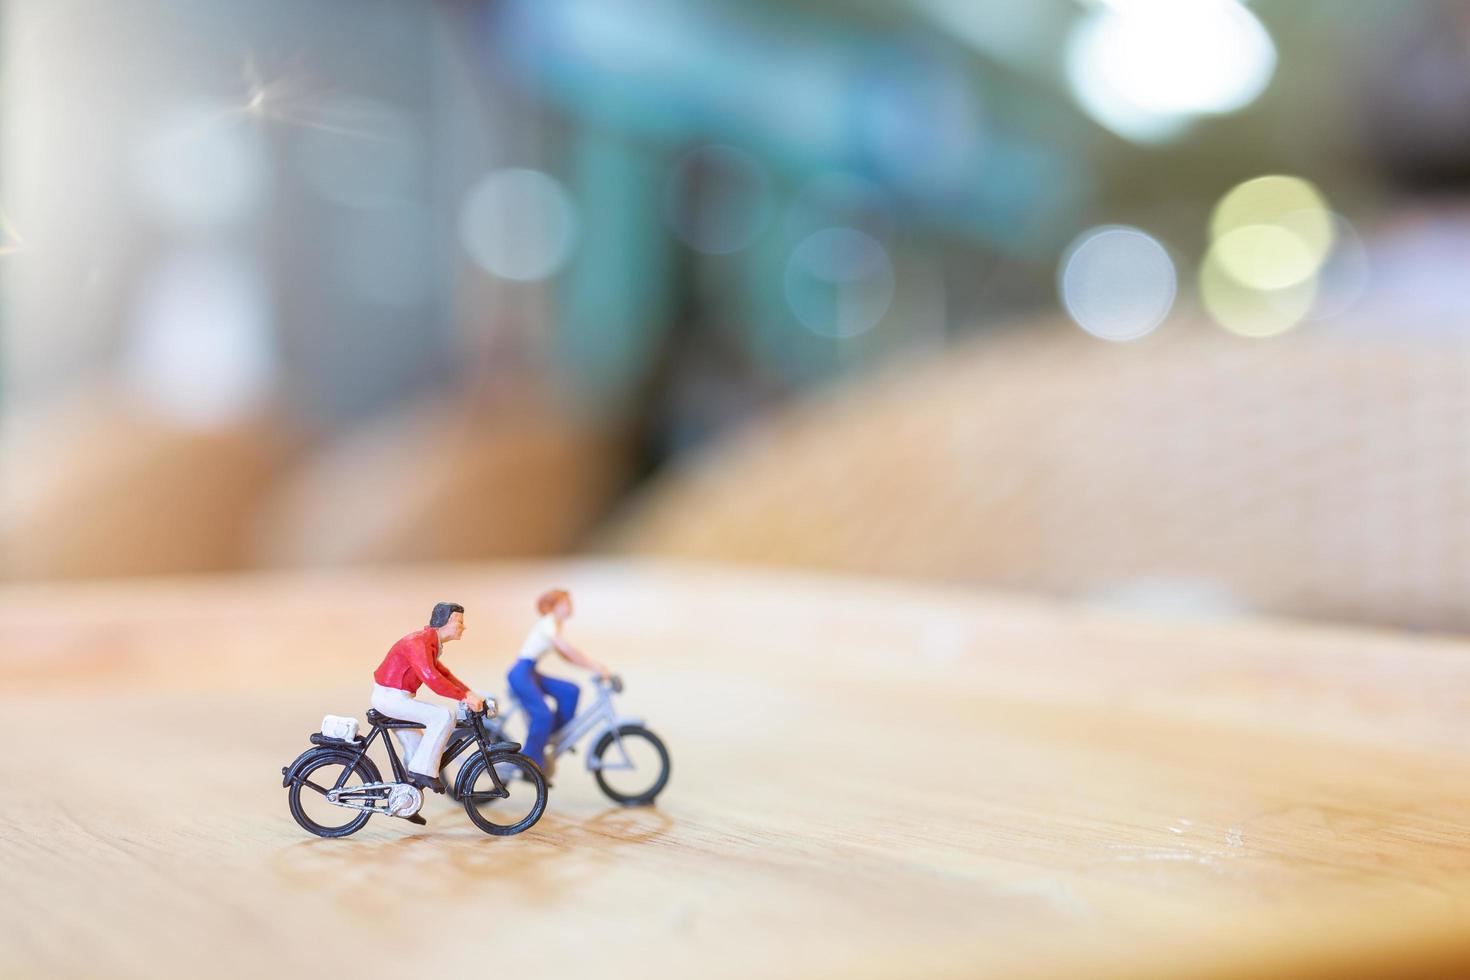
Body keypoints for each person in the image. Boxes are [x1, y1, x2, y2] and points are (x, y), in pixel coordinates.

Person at [371, 602, 484, 793]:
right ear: (448, 622)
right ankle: (425, 771)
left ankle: (405, 797)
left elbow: (443, 673)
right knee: (444, 716)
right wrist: (463, 698)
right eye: (460, 622)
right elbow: (432, 678)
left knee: (417, 751)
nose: (463, 627)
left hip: (396, 697)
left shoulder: (429, 642)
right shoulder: (418, 643)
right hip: (391, 698)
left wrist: (468, 693)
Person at [508, 589, 610, 773]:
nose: (569, 607)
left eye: (569, 603)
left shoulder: (555, 624)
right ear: (552, 607)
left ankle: (554, 734)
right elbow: (567, 650)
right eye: (565, 604)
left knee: (570, 691)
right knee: (542, 715)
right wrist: (596, 666)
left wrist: (589, 666)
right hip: (521, 673)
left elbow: (566, 655)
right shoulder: (548, 623)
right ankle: (529, 762)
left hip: (530, 672)